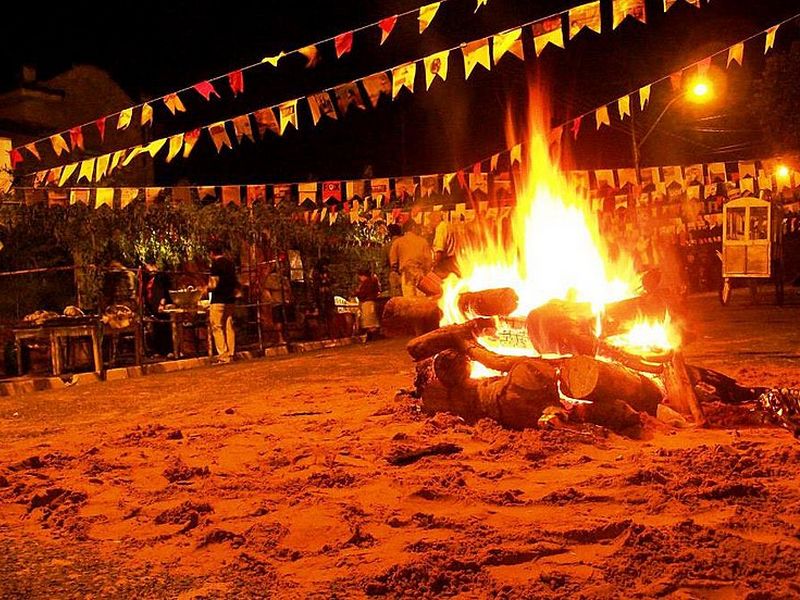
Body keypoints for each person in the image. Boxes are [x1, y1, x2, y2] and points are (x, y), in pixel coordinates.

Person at [208, 242, 239, 364]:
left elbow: (213, 283)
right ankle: (231, 353)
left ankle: (223, 354)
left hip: (218, 299)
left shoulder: (215, 265)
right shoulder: (230, 263)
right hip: (230, 299)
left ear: (212, 253)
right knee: (228, 325)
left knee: (216, 326)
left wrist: (206, 289)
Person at [389, 219, 432, 298]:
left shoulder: (398, 242)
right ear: (413, 227)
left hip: (406, 274)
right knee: (421, 301)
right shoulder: (423, 241)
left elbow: (393, 262)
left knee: (409, 300)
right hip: (420, 274)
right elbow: (429, 261)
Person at [142, 259, 172, 356]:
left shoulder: (161, 276)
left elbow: (164, 291)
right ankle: (159, 350)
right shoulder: (150, 278)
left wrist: (162, 303)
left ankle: (168, 350)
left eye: (147, 266)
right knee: (157, 328)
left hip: (160, 305)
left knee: (164, 327)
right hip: (152, 306)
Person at [430, 212, 460, 277]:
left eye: (431, 221)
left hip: (445, 263)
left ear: (435, 219)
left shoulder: (440, 228)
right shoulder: (449, 225)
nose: (430, 224)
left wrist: (434, 265)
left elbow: (439, 250)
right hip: (454, 261)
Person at [354, 267, 381, 333]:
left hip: (367, 302)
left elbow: (363, 293)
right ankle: (373, 333)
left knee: (370, 321)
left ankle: (373, 335)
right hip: (371, 301)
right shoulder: (372, 281)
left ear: (363, 276)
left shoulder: (367, 283)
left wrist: (357, 292)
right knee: (371, 320)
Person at [385, 223, 403, 297]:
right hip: (406, 275)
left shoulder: (387, 246)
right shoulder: (406, 243)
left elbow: (383, 264)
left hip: (393, 275)